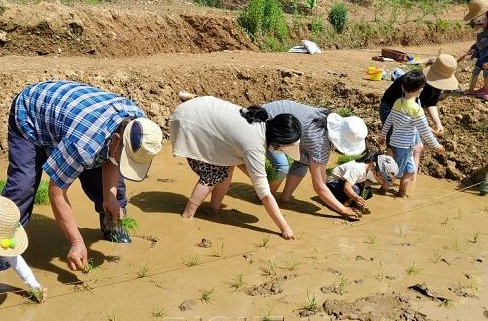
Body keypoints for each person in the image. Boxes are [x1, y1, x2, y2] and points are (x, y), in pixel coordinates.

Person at [0, 81, 163, 272]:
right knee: (23, 186)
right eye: (126, 159)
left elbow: (112, 159)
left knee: (114, 187)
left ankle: (111, 224)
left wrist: (109, 197)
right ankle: (1, 244)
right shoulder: (84, 145)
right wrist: (76, 241)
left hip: (74, 118)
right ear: (116, 141)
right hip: (31, 113)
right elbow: (56, 192)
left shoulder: (139, 125)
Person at [169, 96, 302, 239]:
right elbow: (265, 195)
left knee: (227, 165)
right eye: (283, 148)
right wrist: (285, 228)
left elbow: (240, 162)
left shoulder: (262, 122)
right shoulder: (254, 145)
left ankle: (214, 210)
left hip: (197, 109)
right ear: (277, 142)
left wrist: (259, 176)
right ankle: (187, 216)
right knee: (213, 174)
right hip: (188, 121)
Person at [262, 100, 367, 220]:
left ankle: (284, 199)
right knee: (282, 166)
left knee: (304, 161)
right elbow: (319, 186)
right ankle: (264, 198)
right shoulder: (319, 142)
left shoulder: (323, 119)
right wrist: (343, 209)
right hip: (264, 124)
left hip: (273, 114)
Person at [379, 54, 458, 180]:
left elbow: (431, 103)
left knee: (418, 147)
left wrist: (438, 123)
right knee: (393, 147)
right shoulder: (413, 82)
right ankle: (387, 179)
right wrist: (433, 137)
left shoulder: (436, 85)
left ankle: (410, 180)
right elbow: (412, 116)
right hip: (393, 110)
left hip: (410, 114)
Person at [378, 70, 446, 197]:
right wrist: (436, 146)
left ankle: (401, 192)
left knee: (410, 170)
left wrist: (382, 135)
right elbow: (424, 131)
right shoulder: (416, 110)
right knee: (395, 172)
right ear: (421, 90)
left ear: (402, 87)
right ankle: (384, 190)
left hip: (400, 145)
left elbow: (389, 120)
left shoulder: (398, 102)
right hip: (404, 147)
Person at [326, 153, 398, 210]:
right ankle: (341, 205)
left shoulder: (371, 172)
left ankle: (351, 202)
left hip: (345, 182)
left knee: (368, 191)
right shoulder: (358, 170)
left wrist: (361, 198)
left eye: (383, 180)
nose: (380, 180)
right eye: (380, 176)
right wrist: (355, 197)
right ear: (373, 165)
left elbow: (366, 183)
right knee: (355, 190)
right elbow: (346, 188)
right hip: (332, 184)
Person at [460, 15, 488, 96]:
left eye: (474, 25)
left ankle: (486, 93)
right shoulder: (480, 34)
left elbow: (487, 43)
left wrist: (477, 46)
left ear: (480, 23)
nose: (473, 27)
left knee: (486, 74)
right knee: (475, 73)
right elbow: (478, 45)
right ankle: (471, 90)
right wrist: (473, 49)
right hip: (481, 57)